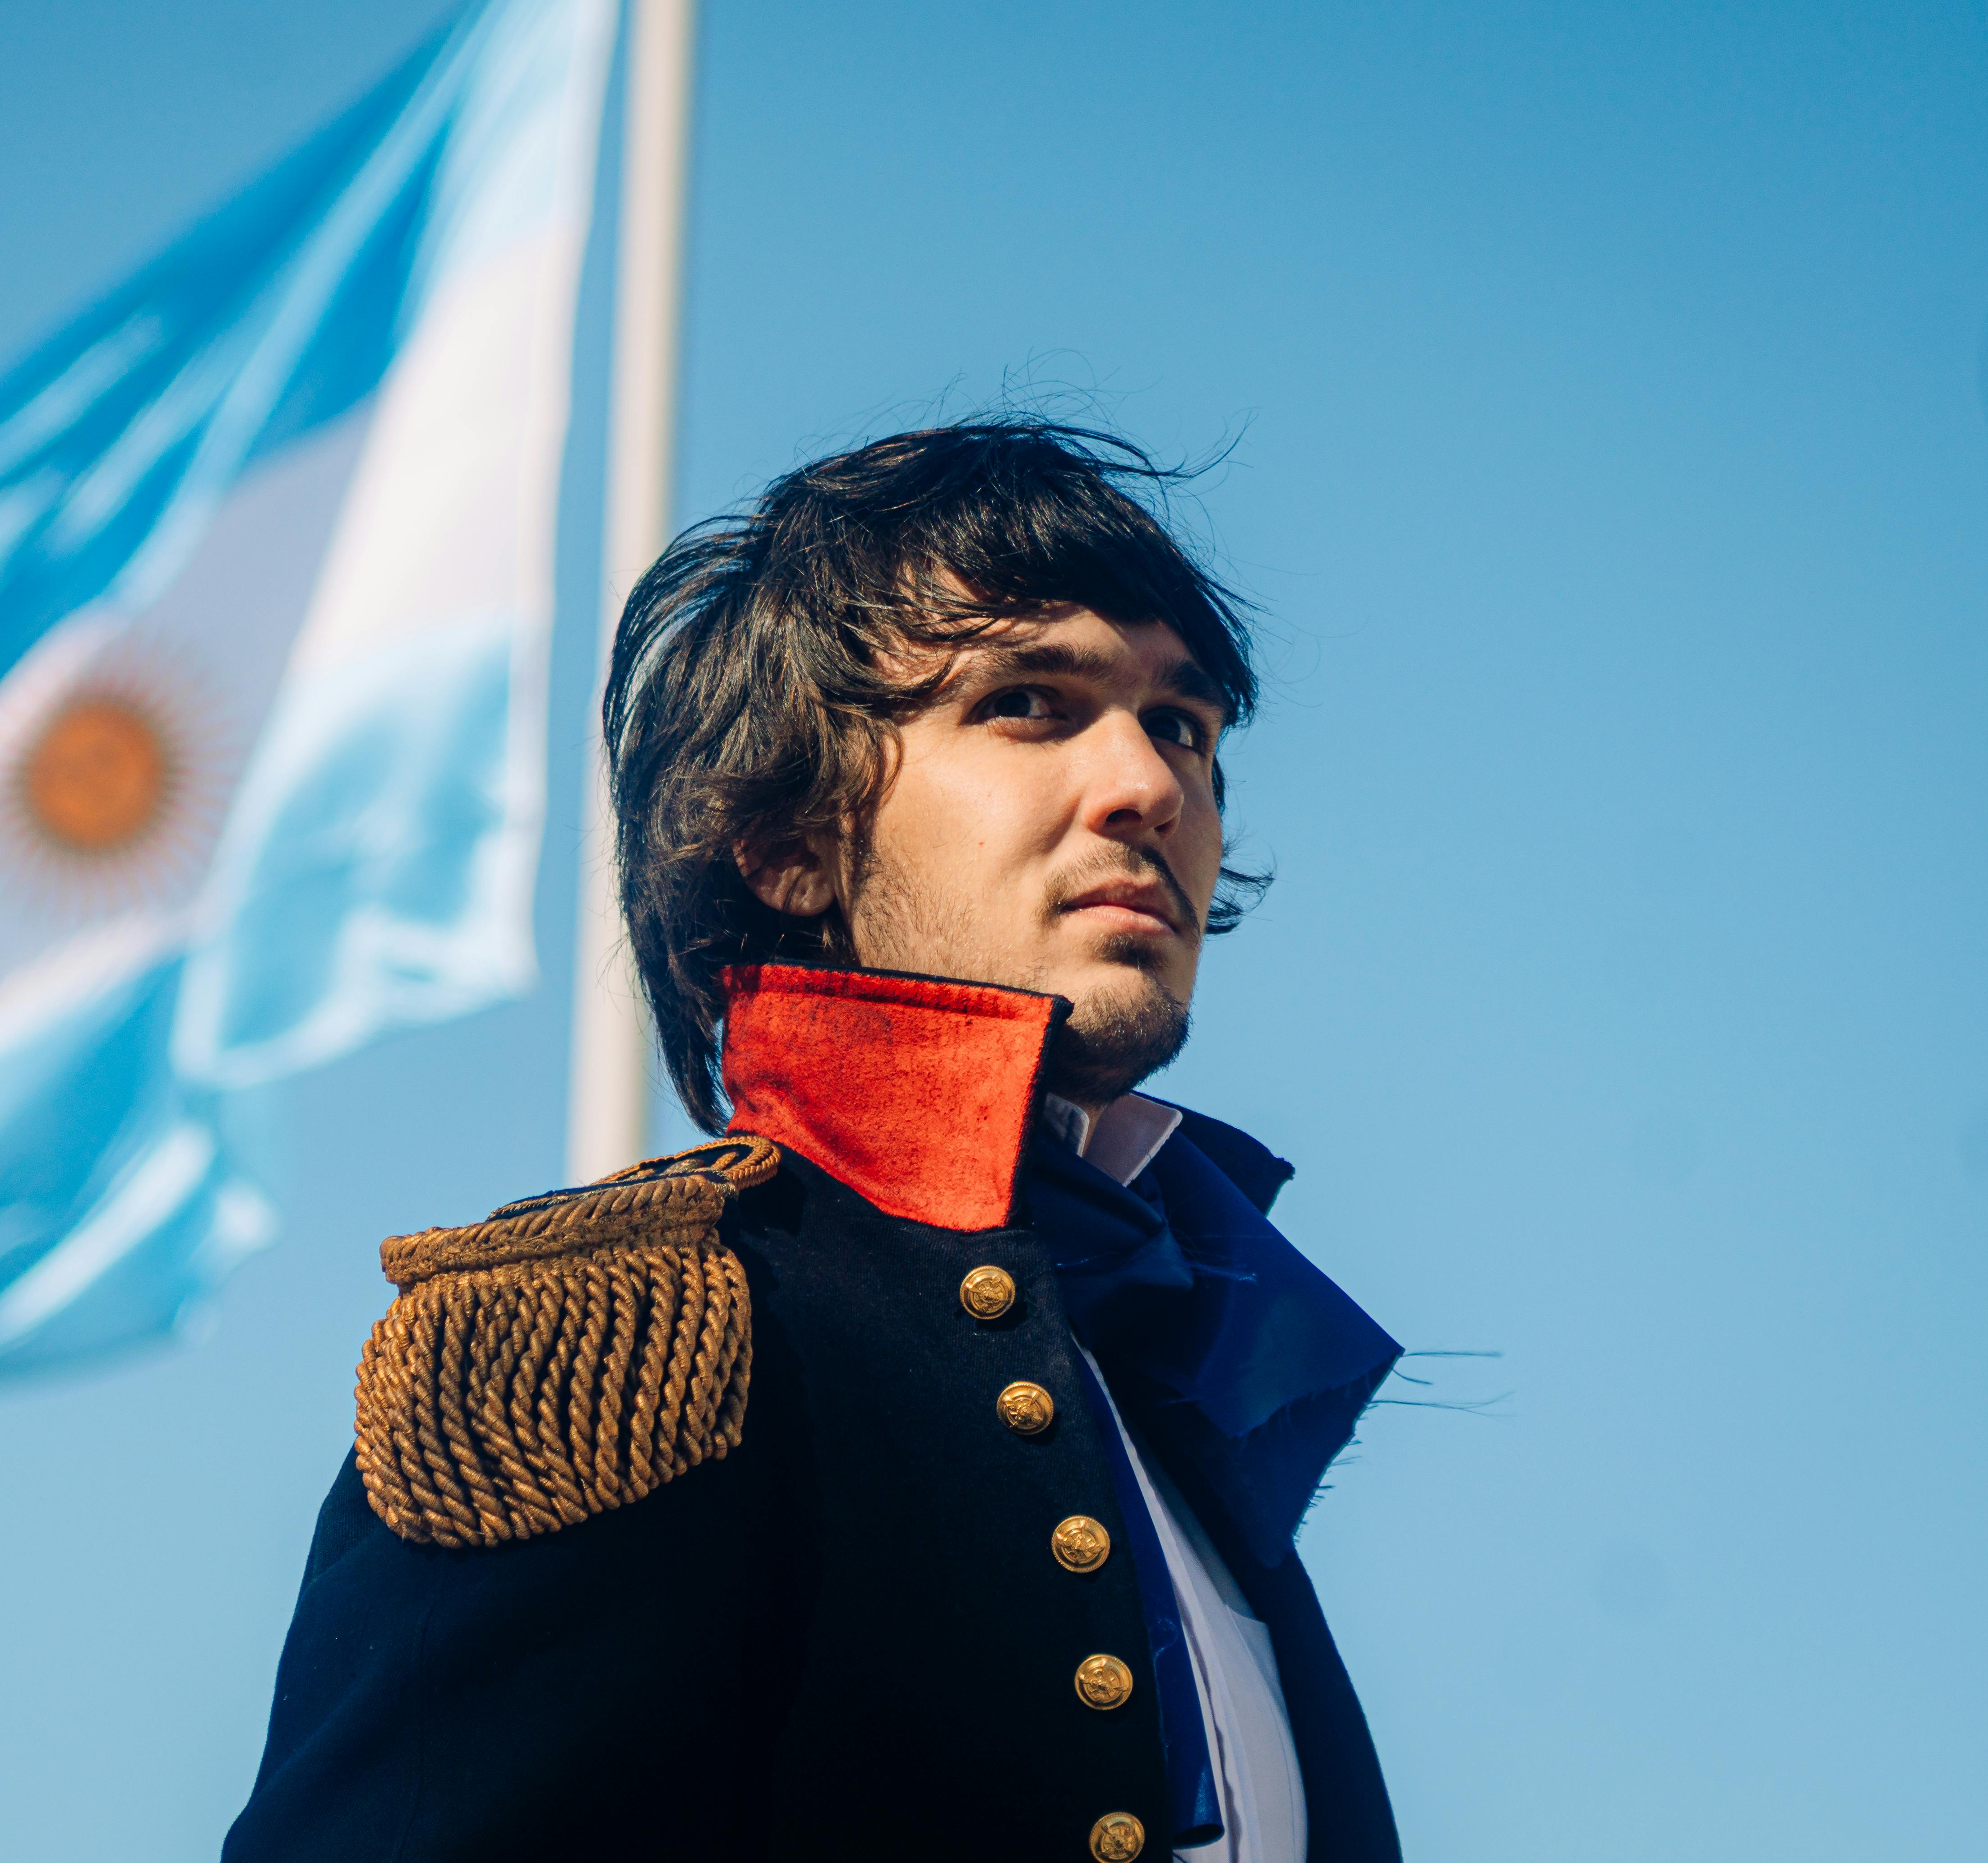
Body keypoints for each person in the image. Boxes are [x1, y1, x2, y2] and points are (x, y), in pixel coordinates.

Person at [224, 420, 1404, 1862]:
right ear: (786, 841)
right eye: (1030, 702)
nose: (1152, 786)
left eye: (1183, 725)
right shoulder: (612, 1336)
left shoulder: (1175, 1403)